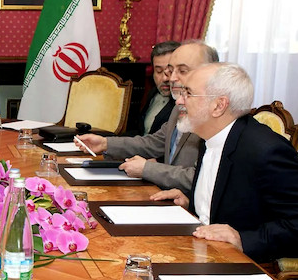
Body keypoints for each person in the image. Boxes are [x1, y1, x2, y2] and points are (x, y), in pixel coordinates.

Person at [154, 63, 298, 263]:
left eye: (188, 93)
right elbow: (234, 203)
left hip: (257, 265)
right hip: (207, 252)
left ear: (219, 105)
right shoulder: (210, 135)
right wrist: (193, 202)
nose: (179, 101)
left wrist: (244, 239)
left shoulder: (265, 150)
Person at [75, 40, 217, 193]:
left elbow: (204, 179)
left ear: (209, 73)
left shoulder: (215, 115)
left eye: (182, 71)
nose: (171, 78)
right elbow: (153, 143)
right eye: (171, 71)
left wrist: (147, 169)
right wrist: (105, 143)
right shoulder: (179, 106)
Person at [139, 41, 180, 135]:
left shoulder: (184, 103)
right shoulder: (152, 93)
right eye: (158, 71)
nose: (165, 78)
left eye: (170, 71)